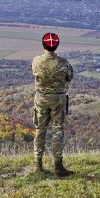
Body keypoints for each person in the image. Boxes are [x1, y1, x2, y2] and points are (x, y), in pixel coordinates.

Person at [31, 32, 74, 176]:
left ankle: (38, 165)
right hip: (58, 100)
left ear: (43, 45)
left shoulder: (36, 61)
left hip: (41, 99)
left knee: (39, 131)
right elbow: (69, 77)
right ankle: (58, 166)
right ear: (57, 46)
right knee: (57, 131)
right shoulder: (63, 63)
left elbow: (35, 73)